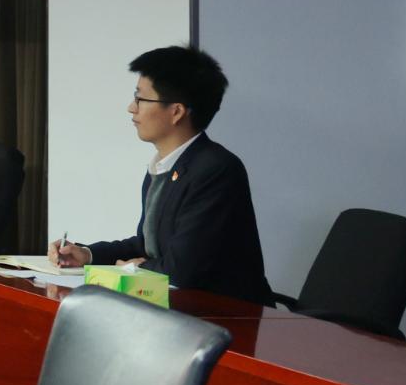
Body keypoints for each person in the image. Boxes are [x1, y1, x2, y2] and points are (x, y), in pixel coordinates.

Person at [50, 45, 273, 302]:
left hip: (224, 314)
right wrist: (87, 254)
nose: (131, 108)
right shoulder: (164, 166)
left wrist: (135, 269)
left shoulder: (216, 169)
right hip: (174, 308)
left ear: (176, 112)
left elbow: (181, 270)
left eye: (140, 99)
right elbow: (148, 245)